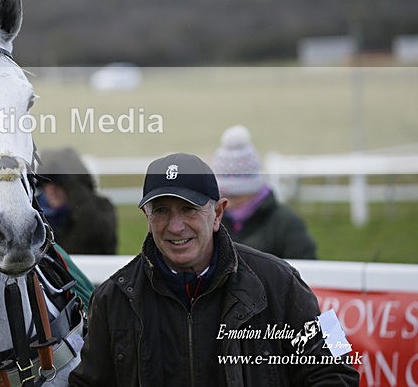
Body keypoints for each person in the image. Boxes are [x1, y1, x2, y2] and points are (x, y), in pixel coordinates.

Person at [70, 153, 359, 386]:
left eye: (188, 209)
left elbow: (338, 367)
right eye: (161, 210)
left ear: (218, 213)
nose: (175, 226)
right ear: (147, 217)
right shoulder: (112, 298)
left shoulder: (282, 281)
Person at [213, 125, 317, 259]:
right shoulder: (214, 220)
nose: (227, 203)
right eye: (221, 194)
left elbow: (307, 272)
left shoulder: (287, 224)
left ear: (253, 189)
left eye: (234, 196)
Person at [35, 147, 117, 254]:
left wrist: (71, 182)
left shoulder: (102, 207)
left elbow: (92, 231)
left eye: (59, 184)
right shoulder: (36, 214)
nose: (52, 190)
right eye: (45, 183)